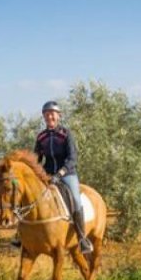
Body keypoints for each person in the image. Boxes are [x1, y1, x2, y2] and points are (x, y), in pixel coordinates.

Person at [27, 100, 94, 254]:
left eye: (52, 113)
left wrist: (60, 174)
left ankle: (82, 238)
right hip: (47, 174)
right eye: (47, 114)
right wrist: (34, 172)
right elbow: (37, 159)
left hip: (67, 174)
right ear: (44, 117)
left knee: (76, 200)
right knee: (30, 196)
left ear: (58, 116)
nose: (49, 116)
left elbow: (72, 159)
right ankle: (21, 235)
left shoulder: (66, 134)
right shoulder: (41, 137)